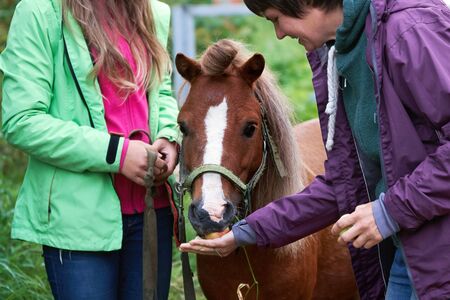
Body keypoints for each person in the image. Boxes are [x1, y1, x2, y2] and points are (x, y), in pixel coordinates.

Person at [179, 0, 450, 299]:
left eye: (276, 18)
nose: (279, 34)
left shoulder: (409, 30)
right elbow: (346, 184)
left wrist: (388, 211)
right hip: (412, 249)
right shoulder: (347, 52)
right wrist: (246, 232)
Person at [1, 0, 179, 299]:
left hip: (152, 210)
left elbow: (159, 92)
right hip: (78, 219)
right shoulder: (41, 13)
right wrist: (117, 154)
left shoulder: (154, 12)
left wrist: (168, 137)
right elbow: (21, 120)